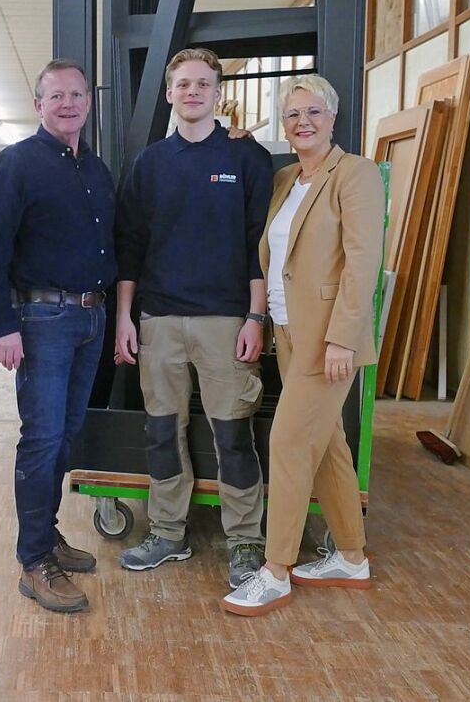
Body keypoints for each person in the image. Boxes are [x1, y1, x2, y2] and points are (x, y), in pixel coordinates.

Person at [222, 74, 383, 616]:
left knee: (289, 445)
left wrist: (343, 337)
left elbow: (363, 263)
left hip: (326, 340)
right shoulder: (287, 177)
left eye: (313, 112)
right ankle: (352, 557)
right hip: (289, 335)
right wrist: (236, 139)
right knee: (328, 445)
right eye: (292, 115)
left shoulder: (354, 175)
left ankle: (275, 570)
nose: (303, 122)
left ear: (333, 118)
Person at [115, 48, 273, 588]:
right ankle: (167, 533)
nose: (192, 92)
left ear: (218, 92)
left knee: (232, 433)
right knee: (163, 432)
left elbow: (259, 244)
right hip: (158, 319)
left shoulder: (246, 160)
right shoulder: (150, 163)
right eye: (183, 84)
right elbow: (130, 247)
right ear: (169, 93)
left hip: (225, 320)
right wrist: (125, 319)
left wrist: (256, 316)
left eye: (203, 84)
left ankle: (246, 542)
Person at [0, 58, 116, 614]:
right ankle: (34, 562)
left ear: (87, 102)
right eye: (55, 96)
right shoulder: (17, 165)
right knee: (41, 439)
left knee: (65, 436)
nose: (67, 104)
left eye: (76, 95)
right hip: (41, 322)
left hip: (90, 318)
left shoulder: (96, 171)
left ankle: (47, 532)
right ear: (38, 105)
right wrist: (1, 325)